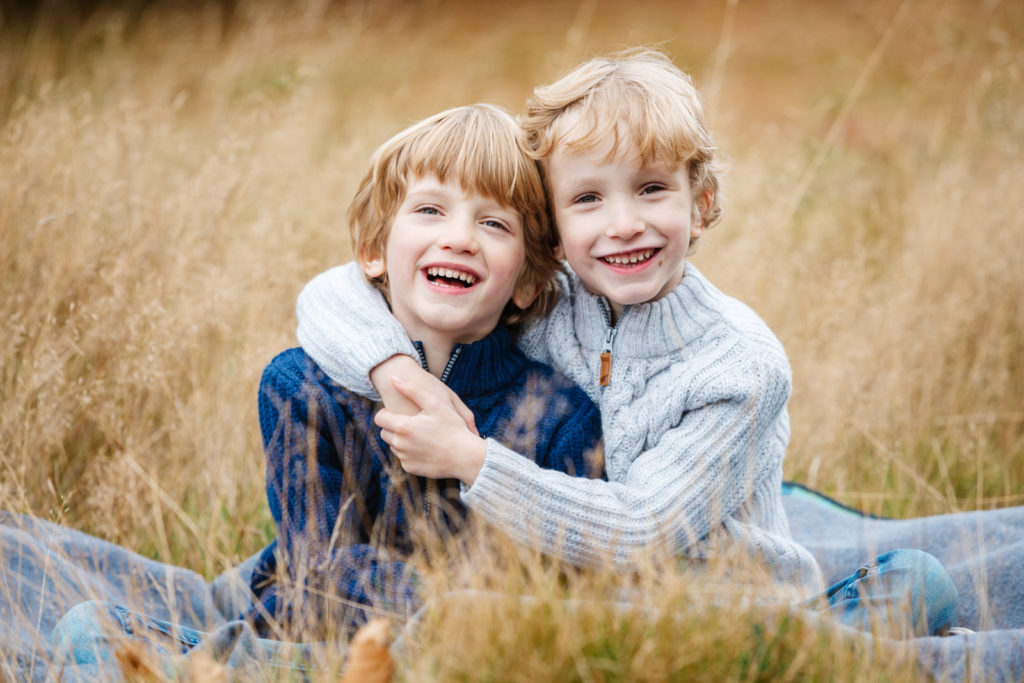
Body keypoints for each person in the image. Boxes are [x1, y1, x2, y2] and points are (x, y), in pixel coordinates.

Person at [294, 49, 958, 638]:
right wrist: (391, 371)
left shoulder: (739, 366)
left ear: (699, 202)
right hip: (579, 598)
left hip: (721, 607)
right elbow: (337, 292)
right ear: (552, 231)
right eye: (587, 198)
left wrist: (474, 461)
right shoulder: (554, 302)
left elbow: (642, 528)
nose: (623, 223)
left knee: (918, 581)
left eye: (651, 188)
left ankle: (810, 632)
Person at [43, 103, 604, 667]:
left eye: (494, 223)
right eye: (431, 210)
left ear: (530, 281)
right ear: (373, 253)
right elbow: (317, 567)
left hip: (462, 657)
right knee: (91, 629)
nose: (459, 238)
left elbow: (567, 589)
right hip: (307, 646)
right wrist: (441, 607)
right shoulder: (301, 386)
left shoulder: (559, 414)